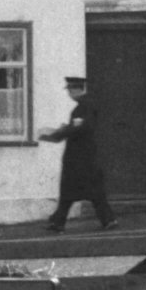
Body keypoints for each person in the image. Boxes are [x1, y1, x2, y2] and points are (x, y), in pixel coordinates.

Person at [39, 73, 116, 232]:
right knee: (93, 192)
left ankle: (58, 222)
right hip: (86, 157)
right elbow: (79, 127)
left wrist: (56, 134)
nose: (68, 93)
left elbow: (79, 128)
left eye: (69, 90)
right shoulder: (86, 105)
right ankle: (107, 220)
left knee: (70, 191)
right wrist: (65, 129)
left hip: (79, 158)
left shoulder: (82, 107)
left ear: (75, 90)